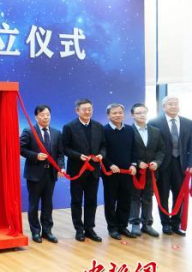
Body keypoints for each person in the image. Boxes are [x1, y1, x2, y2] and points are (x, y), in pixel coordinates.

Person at [19, 104, 65, 244]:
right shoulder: (29, 131)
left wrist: (61, 167)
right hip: (35, 174)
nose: (46, 117)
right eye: (42, 115)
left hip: (50, 174)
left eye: (48, 115)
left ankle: (47, 231)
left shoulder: (56, 132)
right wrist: (35, 156)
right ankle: (35, 231)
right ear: (36, 117)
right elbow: (21, 149)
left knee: (48, 203)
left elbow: (60, 153)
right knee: (34, 204)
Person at [62, 99, 106, 243]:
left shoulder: (99, 126)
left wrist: (101, 155)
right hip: (77, 170)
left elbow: (104, 146)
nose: (87, 112)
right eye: (84, 109)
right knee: (76, 200)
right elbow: (65, 148)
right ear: (77, 111)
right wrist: (78, 156)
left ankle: (89, 228)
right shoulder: (69, 127)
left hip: (94, 170)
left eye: (89, 109)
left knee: (92, 200)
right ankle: (79, 229)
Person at [148, 96, 192, 236]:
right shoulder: (154, 122)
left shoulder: (188, 123)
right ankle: (165, 224)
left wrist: (190, 164)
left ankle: (175, 224)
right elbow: (152, 146)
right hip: (163, 165)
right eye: (170, 104)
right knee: (163, 195)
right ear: (163, 107)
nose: (173, 106)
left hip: (181, 165)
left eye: (176, 104)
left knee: (179, 195)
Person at [102, 104, 137, 240]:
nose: (118, 115)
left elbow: (134, 149)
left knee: (125, 200)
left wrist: (133, 164)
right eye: (114, 113)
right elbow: (101, 150)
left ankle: (123, 226)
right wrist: (110, 164)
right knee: (110, 200)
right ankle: (112, 227)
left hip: (127, 172)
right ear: (108, 115)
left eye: (120, 112)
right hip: (110, 172)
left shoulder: (129, 129)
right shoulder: (103, 130)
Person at [129, 103, 164, 237]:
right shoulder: (128, 131)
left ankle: (147, 224)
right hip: (135, 172)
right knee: (135, 198)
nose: (142, 115)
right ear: (132, 115)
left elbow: (161, 150)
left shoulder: (155, 131)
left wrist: (157, 162)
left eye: (144, 112)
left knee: (148, 197)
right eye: (138, 113)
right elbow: (126, 151)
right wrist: (137, 163)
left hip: (151, 171)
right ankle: (134, 224)